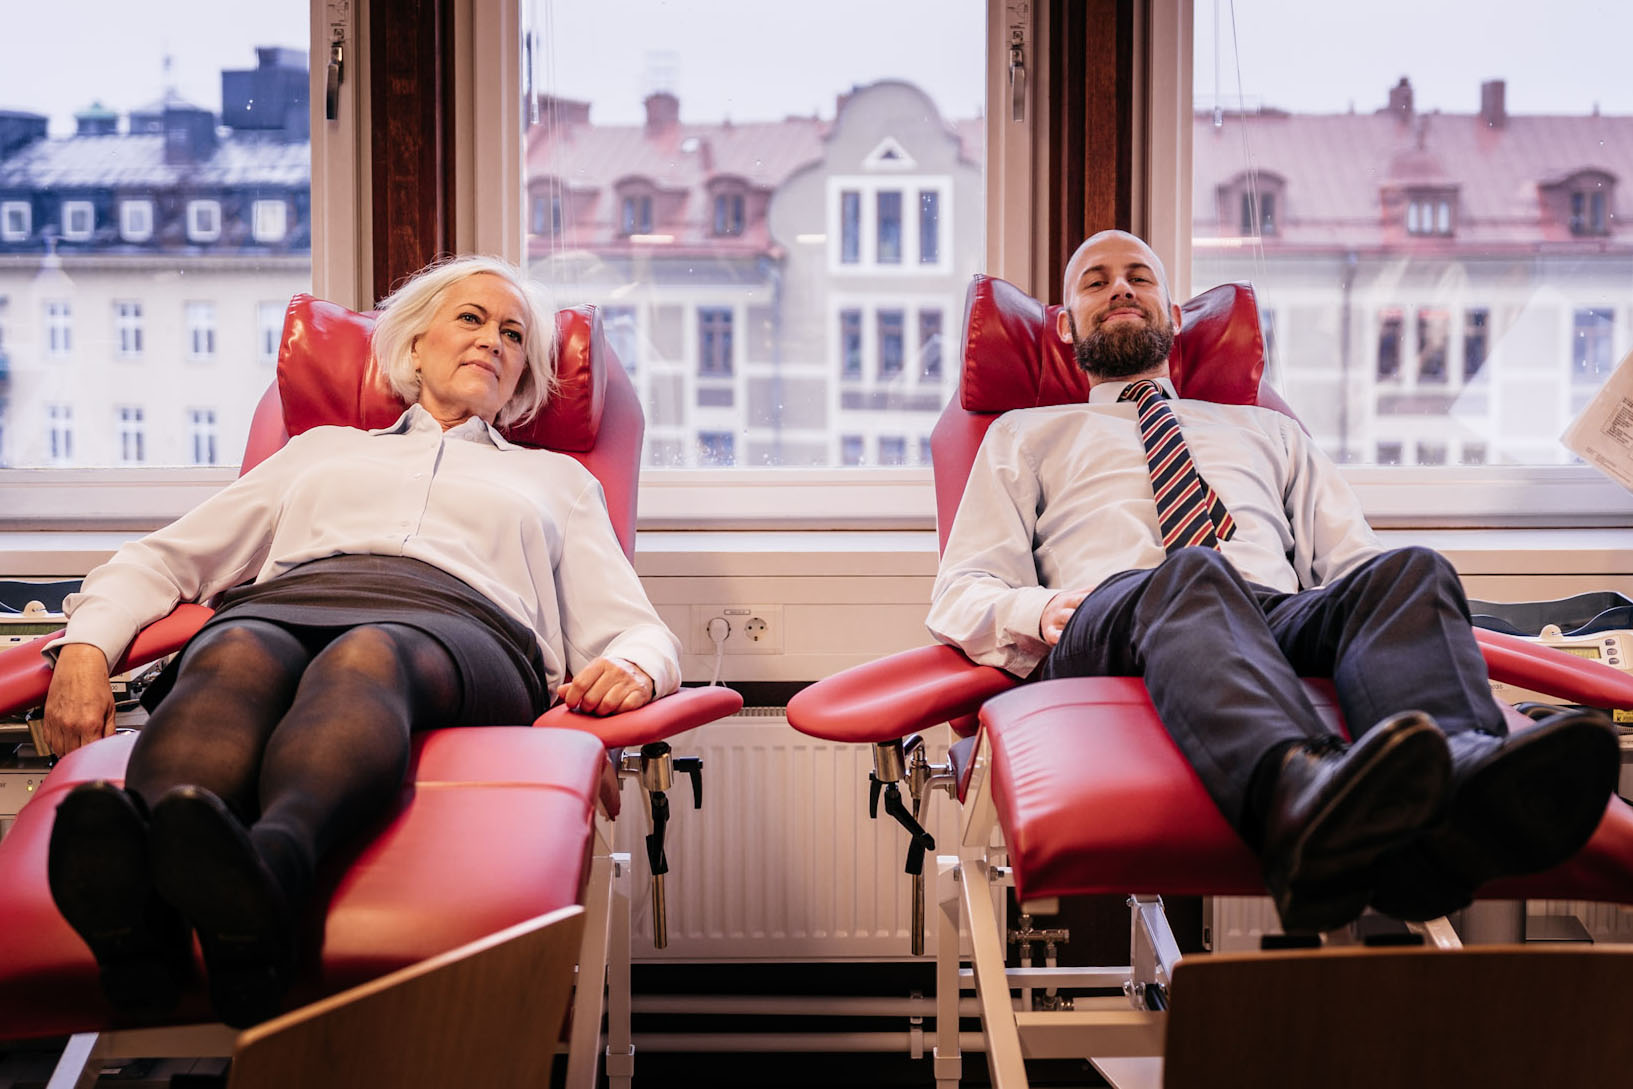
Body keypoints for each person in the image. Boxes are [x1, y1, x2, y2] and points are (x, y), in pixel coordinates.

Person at [41, 255, 682, 1027]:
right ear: (413, 348)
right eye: (471, 319)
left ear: (519, 382)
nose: (493, 341)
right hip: (289, 601)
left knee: (367, 650)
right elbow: (163, 560)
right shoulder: (320, 450)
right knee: (233, 649)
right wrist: (84, 651)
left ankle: (270, 870)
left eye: (513, 335)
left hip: (463, 629)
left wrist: (635, 668)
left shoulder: (557, 481)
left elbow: (635, 627)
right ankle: (147, 915)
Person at [927, 229, 1620, 933]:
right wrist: (1044, 611)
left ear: (1170, 313)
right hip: (1109, 621)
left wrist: (1394, 619)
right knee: (1194, 570)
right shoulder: (1022, 433)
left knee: (1409, 568)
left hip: (1267, 614)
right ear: (1066, 326)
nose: (1120, 288)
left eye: (1138, 276)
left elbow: (1353, 562)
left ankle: (1458, 772)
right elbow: (963, 587)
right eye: (1096, 280)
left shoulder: (1268, 431)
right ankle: (1300, 796)